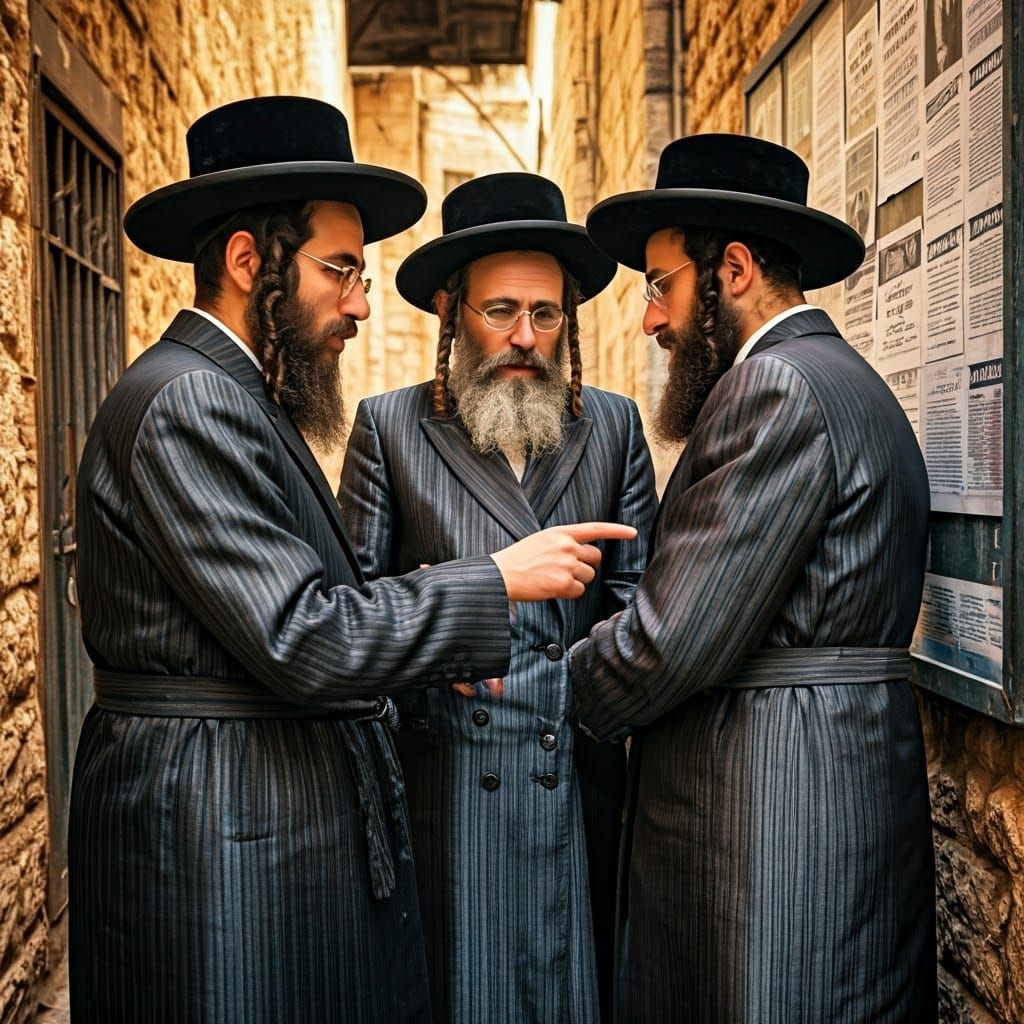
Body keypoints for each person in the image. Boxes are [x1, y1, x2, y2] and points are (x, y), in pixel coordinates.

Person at [69, 96, 634, 1023]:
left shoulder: (231, 395)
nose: (363, 303)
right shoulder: (190, 403)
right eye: (342, 270)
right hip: (213, 835)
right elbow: (299, 630)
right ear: (251, 261)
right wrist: (492, 579)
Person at [571, 133, 937, 1022]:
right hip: (819, 801)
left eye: (660, 286)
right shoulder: (836, 377)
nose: (650, 319)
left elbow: (668, 642)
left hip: (777, 824)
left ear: (731, 269)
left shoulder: (771, 389)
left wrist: (546, 678)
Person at [338, 172, 657, 1023]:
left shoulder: (615, 428)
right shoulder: (389, 428)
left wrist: (570, 678)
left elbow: (638, 604)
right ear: (452, 311)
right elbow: (354, 611)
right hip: (450, 794)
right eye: (501, 311)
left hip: (575, 786)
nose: (524, 336)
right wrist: (448, 636)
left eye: (545, 314)